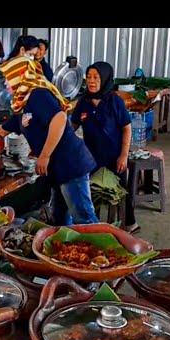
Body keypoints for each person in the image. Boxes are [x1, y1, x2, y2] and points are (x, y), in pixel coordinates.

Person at [0, 56, 99, 225]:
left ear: (19, 76)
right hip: (57, 169)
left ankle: (103, 249)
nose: (6, 84)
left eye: (8, 79)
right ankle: (66, 247)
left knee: (85, 219)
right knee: (60, 218)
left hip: (70, 163)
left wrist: (44, 156)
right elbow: (2, 130)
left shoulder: (38, 94)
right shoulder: (24, 103)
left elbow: (59, 118)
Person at [70, 61, 139, 233]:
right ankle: (95, 225)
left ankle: (129, 223)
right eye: (88, 77)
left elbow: (126, 128)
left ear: (105, 78)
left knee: (122, 191)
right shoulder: (83, 102)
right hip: (91, 157)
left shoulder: (114, 101)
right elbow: (73, 126)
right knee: (90, 191)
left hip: (114, 156)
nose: (91, 81)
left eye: (96, 77)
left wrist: (123, 155)